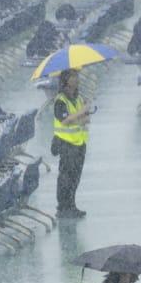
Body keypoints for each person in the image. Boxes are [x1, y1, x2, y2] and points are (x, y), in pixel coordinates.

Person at [49, 68, 91, 219]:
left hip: (79, 143)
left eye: (77, 76)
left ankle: (71, 205)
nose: (77, 79)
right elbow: (65, 120)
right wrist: (82, 111)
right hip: (67, 144)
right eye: (73, 77)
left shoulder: (78, 98)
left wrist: (85, 113)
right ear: (66, 81)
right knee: (65, 177)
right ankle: (62, 207)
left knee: (75, 177)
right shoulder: (61, 100)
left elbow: (82, 119)